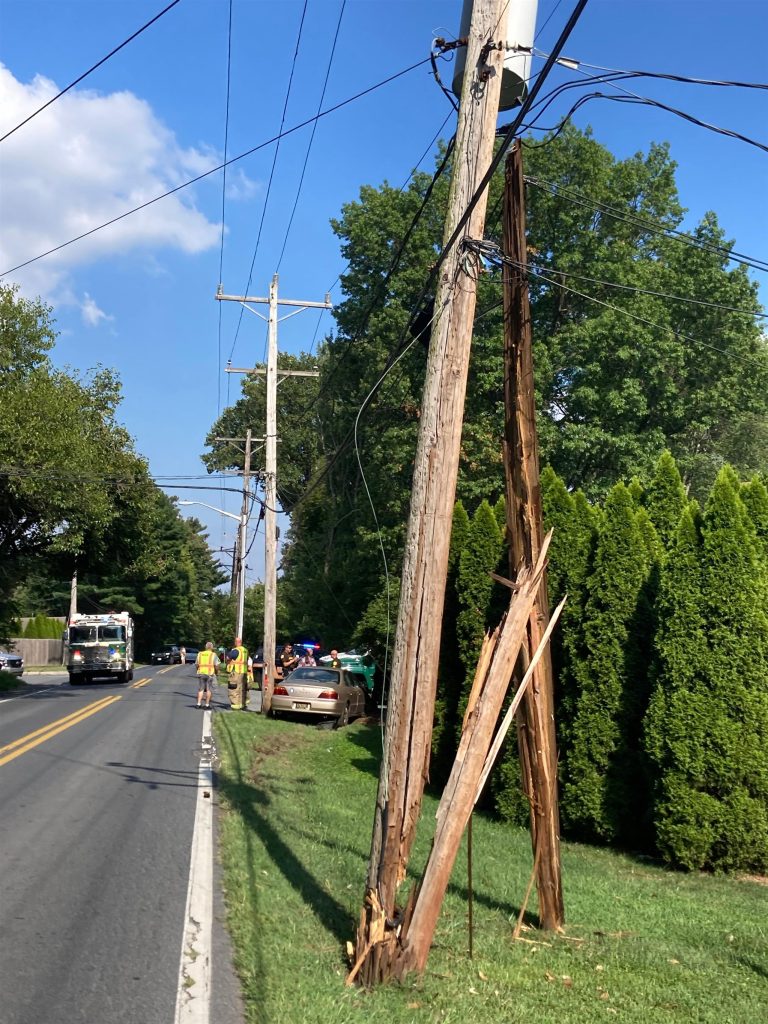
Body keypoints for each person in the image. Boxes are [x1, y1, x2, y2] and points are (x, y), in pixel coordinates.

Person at [226, 636, 249, 710]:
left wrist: (229, 662)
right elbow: (247, 660)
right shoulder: (245, 650)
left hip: (236, 672)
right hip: (244, 672)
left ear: (236, 642)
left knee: (234, 688)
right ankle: (243, 705)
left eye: (235, 641)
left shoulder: (235, 650)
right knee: (243, 689)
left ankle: (235, 705)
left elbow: (228, 658)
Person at [195, 642, 219, 709]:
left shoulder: (200, 654)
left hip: (201, 673)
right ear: (211, 648)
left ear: (205, 647)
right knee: (209, 689)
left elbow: (196, 664)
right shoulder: (213, 654)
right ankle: (207, 705)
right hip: (210, 674)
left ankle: (198, 704)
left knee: (201, 689)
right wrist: (216, 672)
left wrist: (198, 669)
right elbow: (216, 665)